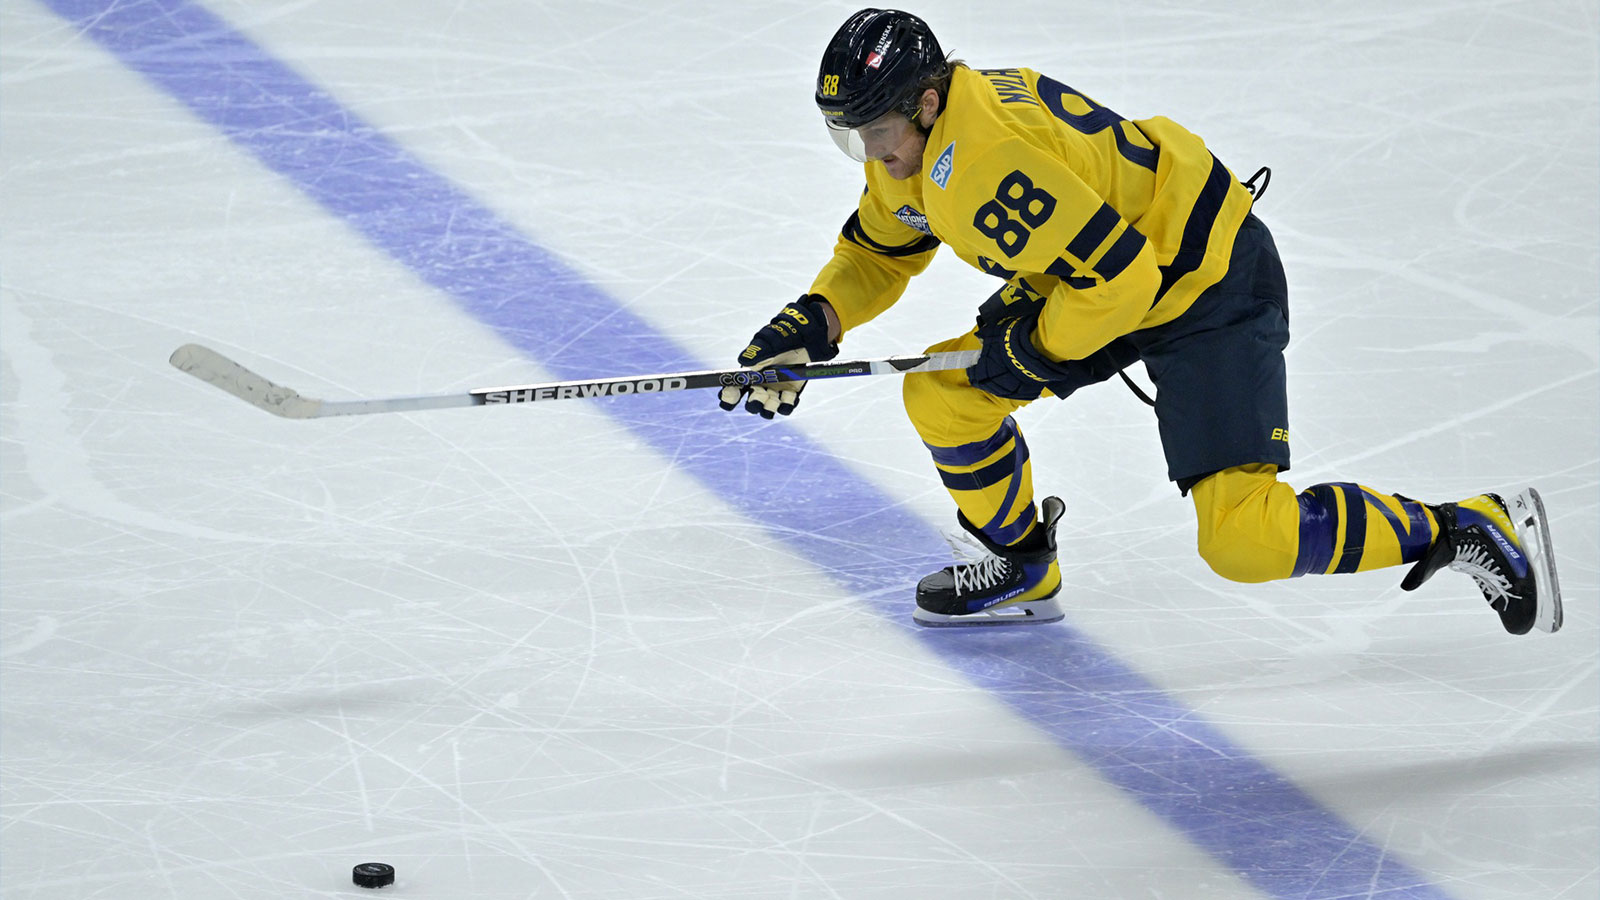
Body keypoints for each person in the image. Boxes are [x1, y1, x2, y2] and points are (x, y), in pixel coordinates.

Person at [717, 8, 1563, 633]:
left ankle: (1463, 523)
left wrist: (1035, 352)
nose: (873, 156)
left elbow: (1125, 281)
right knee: (945, 395)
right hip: (1106, 267)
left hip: (1206, 280)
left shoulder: (979, 163)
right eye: (854, 137)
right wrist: (815, 320)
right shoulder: (918, 143)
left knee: (1243, 542)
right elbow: (879, 251)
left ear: (930, 102)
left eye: (880, 133)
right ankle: (1021, 565)